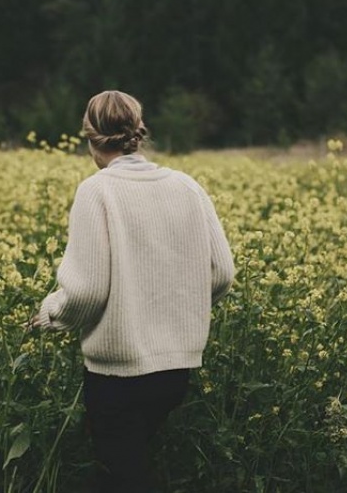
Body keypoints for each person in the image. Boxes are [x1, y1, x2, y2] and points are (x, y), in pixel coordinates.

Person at [29, 90, 235, 493]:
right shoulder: (187, 186)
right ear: (137, 133)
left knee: (122, 474)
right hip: (175, 371)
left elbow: (85, 291)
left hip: (118, 374)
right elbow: (222, 272)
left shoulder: (98, 191)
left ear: (90, 138)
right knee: (126, 468)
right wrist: (179, 304)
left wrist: (51, 313)